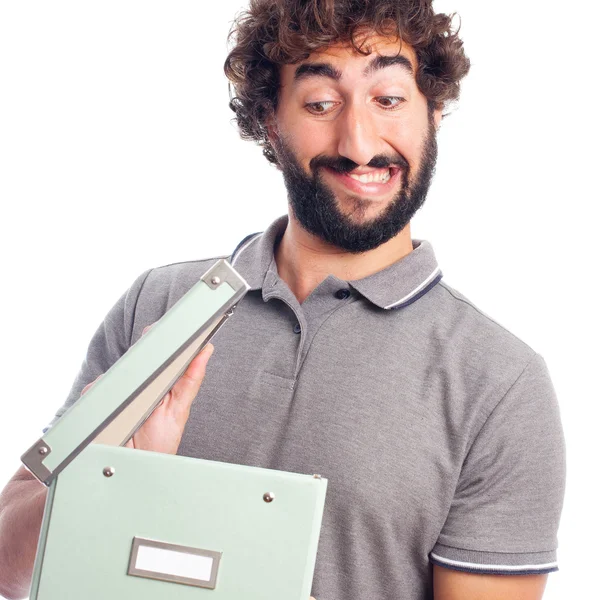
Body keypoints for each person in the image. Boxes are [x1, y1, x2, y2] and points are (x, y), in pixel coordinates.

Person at [0, 1, 566, 599]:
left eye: (389, 99)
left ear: (434, 113)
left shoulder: (500, 382)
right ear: (270, 120)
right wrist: (103, 479)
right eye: (321, 104)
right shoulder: (162, 306)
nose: (359, 142)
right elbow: (8, 567)